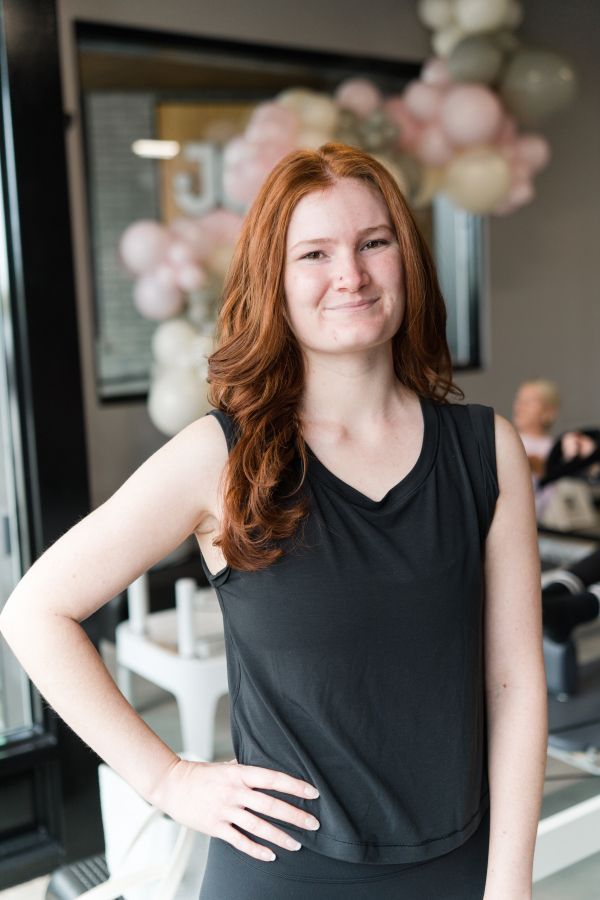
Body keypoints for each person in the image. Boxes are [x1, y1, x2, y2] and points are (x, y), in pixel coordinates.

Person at [0, 143, 547, 899]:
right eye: (314, 253)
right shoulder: (219, 458)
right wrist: (168, 779)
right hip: (282, 875)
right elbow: (34, 611)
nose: (350, 275)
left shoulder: (485, 449)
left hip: (463, 865)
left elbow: (515, 682)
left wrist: (510, 881)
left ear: (407, 260)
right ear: (275, 282)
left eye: (374, 243)